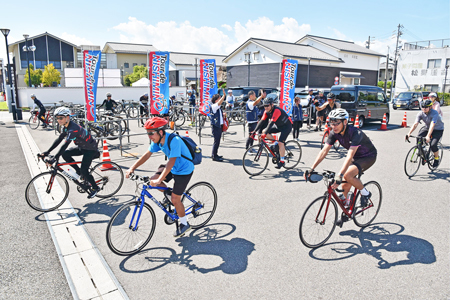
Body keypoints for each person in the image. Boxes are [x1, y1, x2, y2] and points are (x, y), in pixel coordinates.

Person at [305, 108, 377, 226]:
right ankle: (347, 211)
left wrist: (340, 175)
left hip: (368, 156)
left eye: (336, 123)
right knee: (344, 185)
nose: (333, 126)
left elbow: (349, 156)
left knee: (347, 175)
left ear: (345, 122)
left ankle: (365, 193)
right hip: (355, 157)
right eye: (331, 123)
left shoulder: (355, 133)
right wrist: (311, 169)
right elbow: (324, 151)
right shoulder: (334, 133)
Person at [125, 117, 194, 237]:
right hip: (173, 168)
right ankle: (170, 195)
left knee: (175, 199)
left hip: (183, 170)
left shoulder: (174, 140)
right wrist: (132, 168)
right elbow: (147, 155)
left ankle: (184, 223)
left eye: (151, 133)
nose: (149, 136)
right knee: (152, 181)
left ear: (160, 132)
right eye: (147, 133)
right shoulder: (158, 141)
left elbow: (171, 161)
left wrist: (160, 179)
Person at [39, 107, 100, 198]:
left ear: (67, 117)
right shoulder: (66, 126)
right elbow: (59, 139)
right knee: (65, 154)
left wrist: (55, 158)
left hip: (91, 149)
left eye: (61, 118)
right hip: (82, 147)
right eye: (57, 118)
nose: (58, 120)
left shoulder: (73, 129)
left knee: (84, 169)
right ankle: (79, 171)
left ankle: (95, 188)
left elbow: (65, 145)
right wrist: (47, 152)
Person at [254, 98, 293, 169]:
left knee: (281, 143)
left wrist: (265, 134)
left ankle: (282, 161)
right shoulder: (266, 111)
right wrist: (254, 131)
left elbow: (271, 123)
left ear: (272, 105)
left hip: (287, 126)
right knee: (263, 131)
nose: (266, 107)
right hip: (279, 126)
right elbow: (261, 121)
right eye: (264, 106)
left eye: (267, 106)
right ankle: (276, 145)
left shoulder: (277, 110)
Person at [406, 99, 444, 168]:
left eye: (426, 107)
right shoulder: (420, 113)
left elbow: (432, 124)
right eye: (422, 107)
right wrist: (409, 133)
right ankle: (424, 154)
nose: (424, 109)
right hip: (427, 127)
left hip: (438, 129)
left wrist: (428, 136)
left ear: (430, 107)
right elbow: (415, 124)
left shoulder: (434, 113)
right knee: (418, 138)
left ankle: (436, 159)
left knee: (433, 144)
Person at [209, 89, 226, 161]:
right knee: (216, 141)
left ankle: (215, 154)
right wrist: (224, 96)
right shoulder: (214, 106)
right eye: (219, 98)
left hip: (219, 125)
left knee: (218, 141)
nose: (221, 100)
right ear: (216, 100)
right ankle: (214, 155)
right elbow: (219, 103)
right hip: (216, 126)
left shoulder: (218, 107)